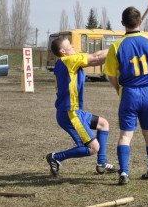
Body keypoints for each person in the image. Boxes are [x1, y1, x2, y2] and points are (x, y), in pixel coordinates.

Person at [103, 7, 148, 185]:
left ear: (122, 23)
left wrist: (119, 90)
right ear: (140, 22)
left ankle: (124, 173)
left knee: (125, 135)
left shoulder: (116, 46)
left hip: (129, 92)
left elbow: (111, 75)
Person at [45, 37, 118, 177]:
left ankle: (102, 163)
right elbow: (96, 57)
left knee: (103, 124)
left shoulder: (67, 63)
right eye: (69, 46)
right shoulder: (68, 61)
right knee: (93, 148)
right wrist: (119, 47)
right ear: (63, 51)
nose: (73, 46)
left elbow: (97, 57)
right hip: (70, 114)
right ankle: (56, 157)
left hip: (75, 112)